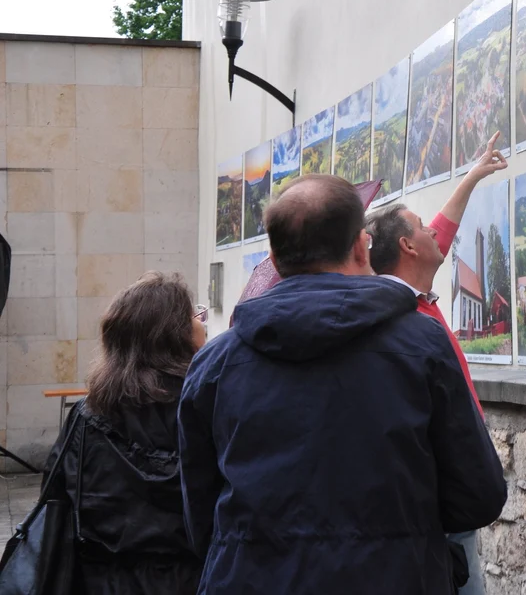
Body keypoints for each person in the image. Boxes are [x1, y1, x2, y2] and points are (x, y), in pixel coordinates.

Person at [178, 173, 506, 595]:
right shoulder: (421, 344)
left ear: (275, 261)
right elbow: (478, 494)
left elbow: (198, 515)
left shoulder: (213, 366)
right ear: (359, 246)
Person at [366, 131, 506, 595]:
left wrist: (473, 175)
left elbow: (442, 230)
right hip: (439, 495)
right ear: (407, 249)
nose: (433, 231)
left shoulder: (416, 297)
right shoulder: (401, 319)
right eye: (421, 228)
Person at [40, 271, 206, 594]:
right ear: (178, 335)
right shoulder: (207, 410)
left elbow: (56, 500)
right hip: (195, 581)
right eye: (194, 317)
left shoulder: (86, 418)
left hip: (101, 582)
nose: (201, 323)